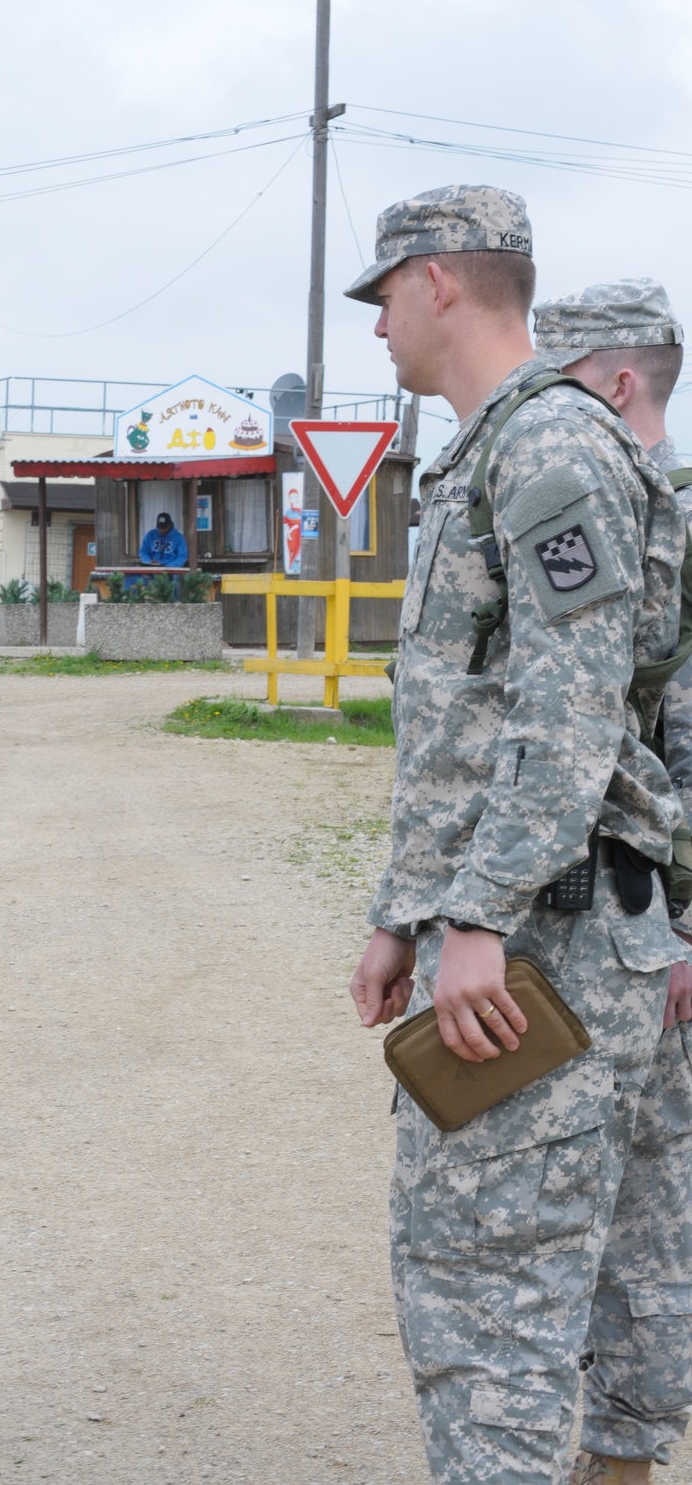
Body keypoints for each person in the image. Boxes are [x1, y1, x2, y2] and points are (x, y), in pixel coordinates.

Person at [345, 186, 687, 1485]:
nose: (377, 325)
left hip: (544, 937)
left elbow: (571, 713)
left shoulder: (547, 448)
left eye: (384, 295)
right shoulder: (498, 452)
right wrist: (402, 910)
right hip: (535, 923)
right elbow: (466, 723)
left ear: (439, 283)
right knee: (541, 1284)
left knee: (491, 1299)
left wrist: (474, 917)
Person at [534, 281, 692, 1485]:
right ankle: (620, 1457)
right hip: (634, 925)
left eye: (562, 379)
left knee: (617, 1206)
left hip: (644, 926)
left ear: (618, 383)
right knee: (643, 1202)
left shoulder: (654, 523)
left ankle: (616, 1457)